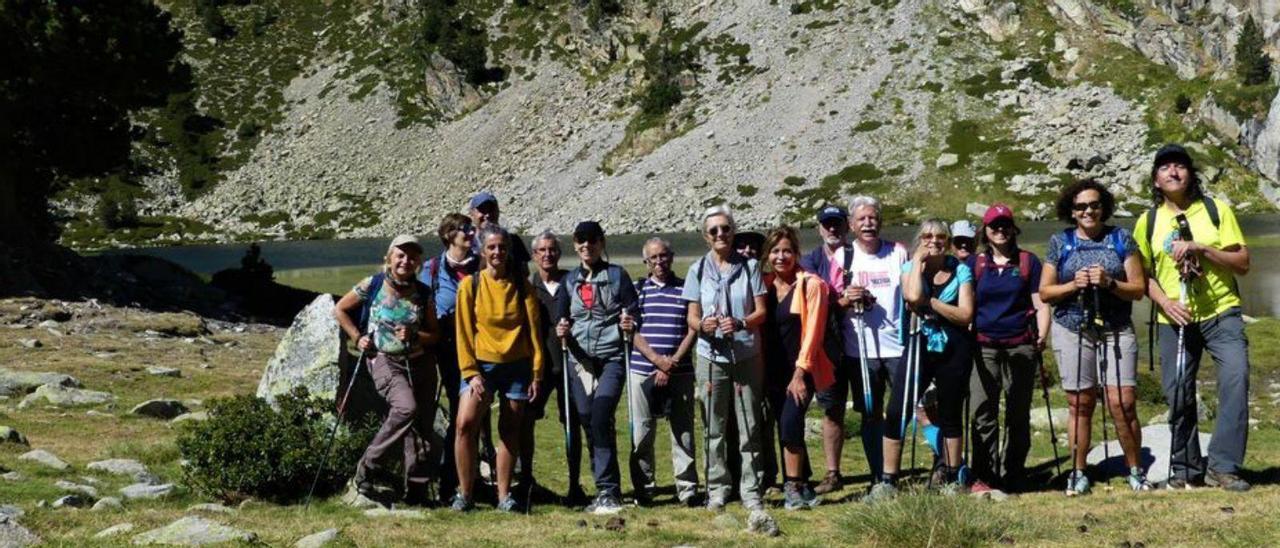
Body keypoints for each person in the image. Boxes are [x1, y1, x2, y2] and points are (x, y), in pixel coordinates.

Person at [1135, 144, 1252, 492]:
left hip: (1221, 312)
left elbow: (1243, 263)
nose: (1174, 172)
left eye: (1180, 166)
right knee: (1178, 393)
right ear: (1156, 180)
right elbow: (1142, 275)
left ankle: (1223, 467)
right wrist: (1165, 303)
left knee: (1236, 379)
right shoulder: (1148, 222)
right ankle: (1186, 468)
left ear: (1190, 174)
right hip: (1175, 318)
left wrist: (1203, 249)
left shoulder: (1216, 211)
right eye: (1165, 167)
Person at [1040, 180, 1151, 496]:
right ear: (1071, 211)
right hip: (1071, 328)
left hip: (1116, 328)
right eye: (1080, 206)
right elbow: (1046, 292)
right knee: (1080, 403)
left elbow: (1139, 289)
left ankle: (1135, 470)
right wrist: (1074, 285)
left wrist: (1109, 283)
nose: (1088, 211)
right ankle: (1078, 472)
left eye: (1094, 205)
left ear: (1103, 207)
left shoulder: (1121, 238)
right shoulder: (1059, 242)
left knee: (1123, 402)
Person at [799, 199, 907, 494]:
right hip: (849, 348)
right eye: (862, 219)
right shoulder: (830, 258)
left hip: (894, 346)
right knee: (858, 412)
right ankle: (870, 476)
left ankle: (935, 468)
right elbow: (825, 302)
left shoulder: (898, 252)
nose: (868, 223)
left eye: (873, 218)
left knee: (912, 408)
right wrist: (847, 299)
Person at [682, 205, 773, 526]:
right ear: (706, 236)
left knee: (749, 423)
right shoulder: (696, 270)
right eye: (714, 231)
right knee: (714, 426)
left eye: (726, 229)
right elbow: (691, 315)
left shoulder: (750, 267)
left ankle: (751, 489)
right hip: (711, 357)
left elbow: (761, 311)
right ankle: (717, 489)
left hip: (746, 355)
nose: (721, 235)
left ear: (733, 231)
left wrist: (741, 322)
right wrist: (701, 325)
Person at [334, 235, 440, 505]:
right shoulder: (373, 284)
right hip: (384, 360)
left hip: (420, 363)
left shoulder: (424, 293)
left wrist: (415, 334)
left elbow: (434, 334)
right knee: (406, 408)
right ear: (389, 257)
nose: (406, 261)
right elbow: (341, 309)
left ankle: (415, 494)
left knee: (422, 429)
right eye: (400, 255)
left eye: (413, 256)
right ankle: (368, 466)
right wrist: (357, 338)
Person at [872, 219, 973, 499]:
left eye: (940, 236)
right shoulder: (909, 268)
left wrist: (932, 305)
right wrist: (917, 260)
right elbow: (912, 294)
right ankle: (888, 480)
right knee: (896, 412)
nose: (934, 241)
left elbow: (965, 315)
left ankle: (953, 475)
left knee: (951, 413)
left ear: (948, 241)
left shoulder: (961, 270)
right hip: (918, 344)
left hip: (954, 347)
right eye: (927, 236)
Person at [452, 224, 545, 512]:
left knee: (510, 429)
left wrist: (536, 372)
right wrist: (470, 371)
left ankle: (504, 496)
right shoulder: (471, 284)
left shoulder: (521, 285)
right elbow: (464, 332)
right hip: (481, 366)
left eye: (502, 247)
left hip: (517, 366)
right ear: (482, 250)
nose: (497, 252)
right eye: (491, 247)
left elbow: (534, 332)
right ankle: (465, 494)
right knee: (465, 424)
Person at [556, 221, 639, 514]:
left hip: (612, 358)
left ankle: (609, 489)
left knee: (602, 413)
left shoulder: (618, 276)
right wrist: (561, 328)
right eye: (581, 240)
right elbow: (561, 316)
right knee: (589, 419)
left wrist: (630, 323)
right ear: (575, 244)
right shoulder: (569, 282)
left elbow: (633, 309)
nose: (586, 246)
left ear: (601, 243)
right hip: (580, 362)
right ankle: (604, 486)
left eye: (592, 240)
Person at [966, 204, 1051, 494]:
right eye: (994, 226)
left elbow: (1040, 302)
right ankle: (985, 474)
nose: (1000, 231)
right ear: (985, 232)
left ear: (1013, 228)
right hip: (984, 347)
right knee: (982, 411)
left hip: (1021, 346)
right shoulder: (974, 264)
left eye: (1005, 225)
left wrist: (1043, 335)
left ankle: (1013, 472)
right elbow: (965, 303)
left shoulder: (1029, 262)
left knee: (1018, 413)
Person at [761, 226, 836, 510]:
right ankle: (803, 485)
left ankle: (791, 486)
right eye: (775, 251)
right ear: (768, 255)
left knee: (791, 422)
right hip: (772, 369)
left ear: (796, 253)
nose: (781, 257)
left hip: (801, 369)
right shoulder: (765, 284)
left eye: (787, 251)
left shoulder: (811, 285)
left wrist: (800, 373)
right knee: (784, 423)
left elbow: (814, 333)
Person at [626, 237, 699, 506]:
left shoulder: (686, 289)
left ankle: (688, 488)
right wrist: (658, 360)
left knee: (683, 431)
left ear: (672, 256)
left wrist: (673, 362)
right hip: (642, 369)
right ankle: (644, 489)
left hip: (680, 371)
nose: (659, 262)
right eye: (653, 258)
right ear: (646, 261)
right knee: (642, 432)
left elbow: (693, 328)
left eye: (664, 256)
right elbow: (631, 330)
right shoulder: (637, 289)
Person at [520, 230, 586, 504]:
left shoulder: (573, 280)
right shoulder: (526, 287)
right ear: (534, 255)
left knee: (572, 422)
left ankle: (574, 484)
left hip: (570, 364)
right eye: (542, 251)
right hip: (538, 368)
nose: (548, 255)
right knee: (526, 423)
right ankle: (526, 481)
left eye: (553, 250)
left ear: (559, 254)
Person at [421, 213, 479, 502]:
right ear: (448, 235)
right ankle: (451, 481)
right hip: (444, 350)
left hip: (479, 350)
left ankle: (463, 481)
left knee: (468, 415)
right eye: (463, 229)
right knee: (459, 414)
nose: (470, 233)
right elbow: (419, 305)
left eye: (470, 228)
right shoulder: (431, 269)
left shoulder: (481, 265)